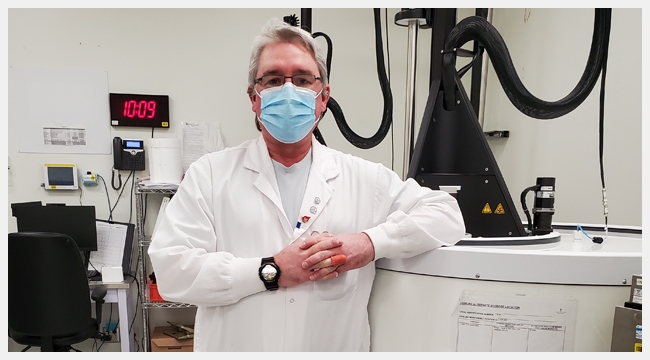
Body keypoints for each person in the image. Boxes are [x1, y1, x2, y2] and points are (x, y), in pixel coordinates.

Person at [148, 18, 465, 352]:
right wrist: (270, 271)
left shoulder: (364, 178)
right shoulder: (210, 175)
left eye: (302, 80)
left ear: (323, 97)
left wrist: (369, 243)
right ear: (254, 98)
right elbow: (171, 272)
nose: (288, 91)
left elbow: (445, 214)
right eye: (272, 80)